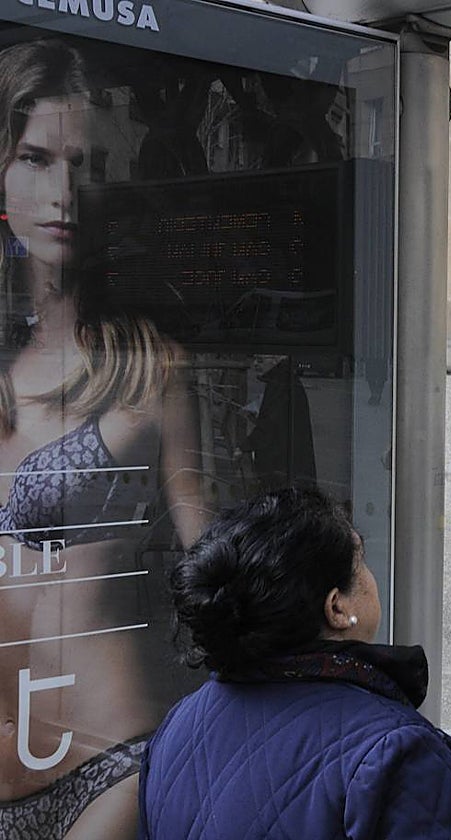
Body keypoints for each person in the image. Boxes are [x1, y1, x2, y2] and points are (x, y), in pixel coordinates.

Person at [0, 39, 210, 839]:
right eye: (35, 158)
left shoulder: (148, 369)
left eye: (84, 165)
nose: (62, 193)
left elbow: (205, 545)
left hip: (109, 755)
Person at [138, 487, 451, 839]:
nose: (371, 578)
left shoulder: (178, 728)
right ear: (337, 608)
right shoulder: (396, 751)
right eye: (361, 563)